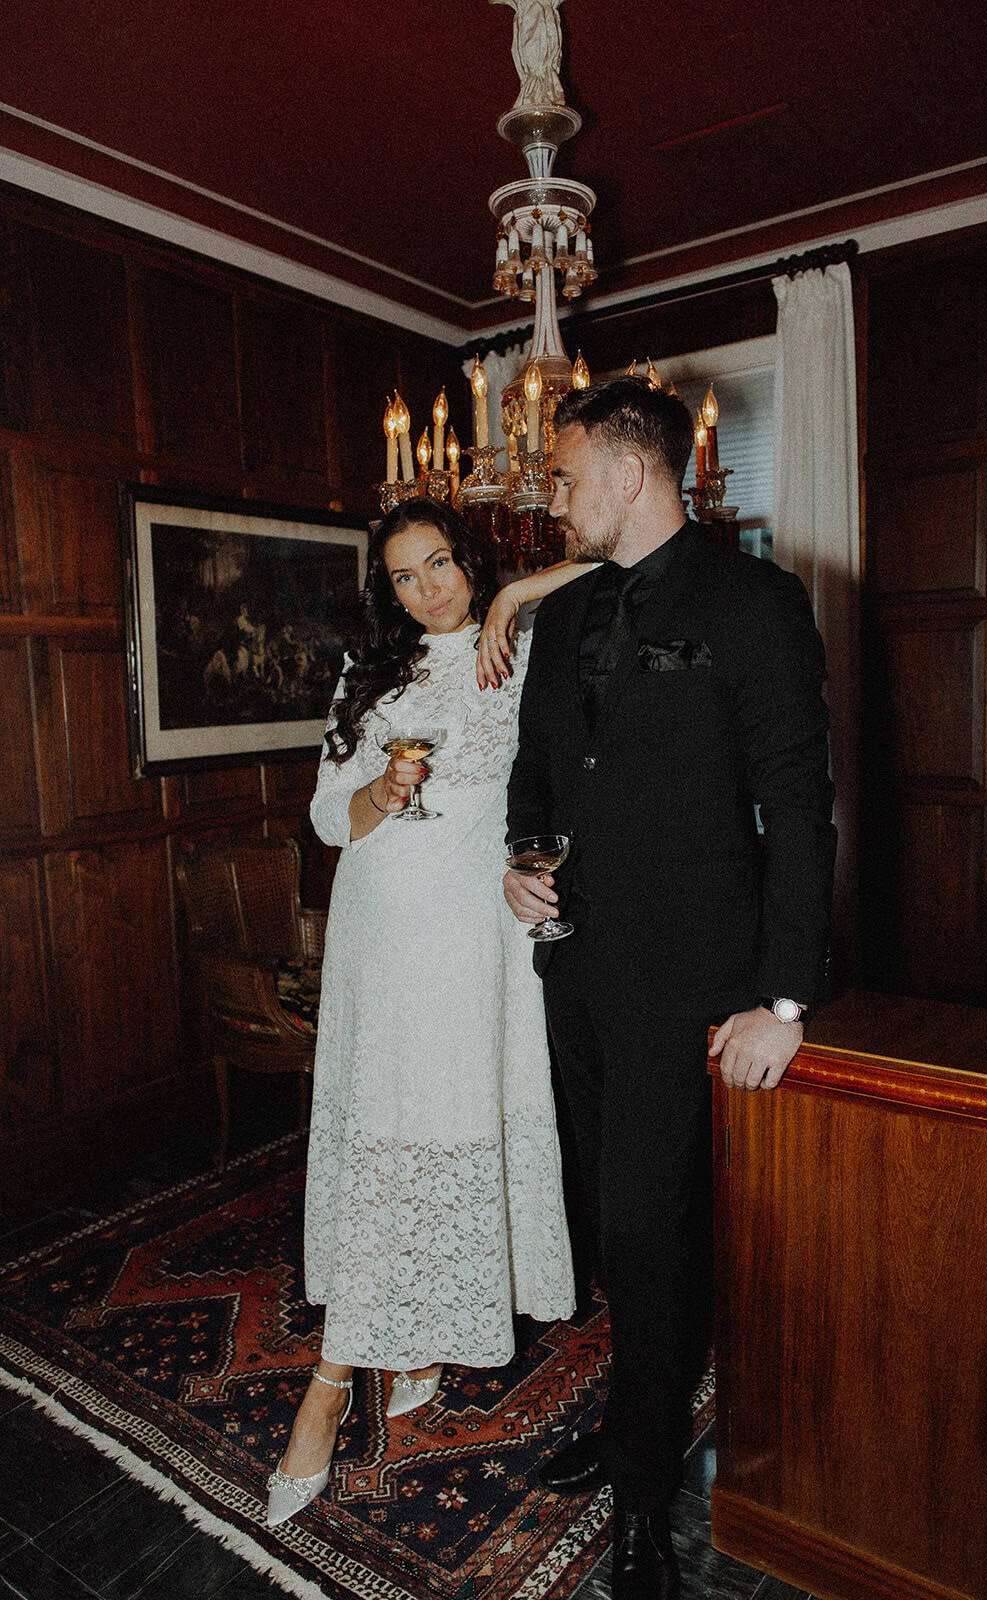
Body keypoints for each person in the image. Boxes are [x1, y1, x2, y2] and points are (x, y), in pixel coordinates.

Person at [502, 376, 837, 1600]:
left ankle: (641, 1496)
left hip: (689, 988)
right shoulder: (560, 616)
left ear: (629, 471)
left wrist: (782, 998)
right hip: (573, 974)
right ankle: (639, 1410)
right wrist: (519, 861)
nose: (552, 496)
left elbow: (796, 809)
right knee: (611, 1225)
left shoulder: (753, 602)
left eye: (563, 474)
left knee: (647, 1229)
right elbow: (537, 772)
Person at [266, 496, 580, 1527]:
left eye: (439, 563)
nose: (426, 589)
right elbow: (330, 816)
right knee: (384, 1143)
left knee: (442, 1127)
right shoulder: (370, 672)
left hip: (467, 942)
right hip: (377, 935)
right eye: (403, 576)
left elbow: (614, 567)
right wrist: (383, 795)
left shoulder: (519, 652)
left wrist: (517, 598)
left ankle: (383, 1358)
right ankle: (337, 1376)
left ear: (470, 560)